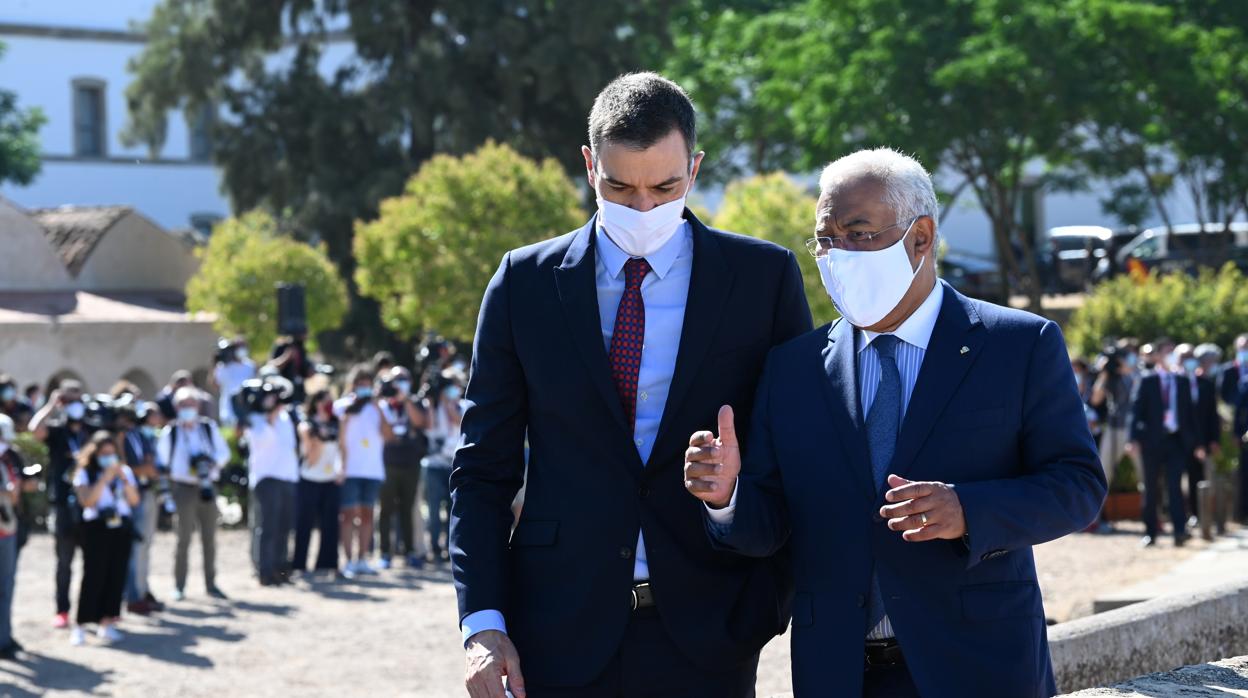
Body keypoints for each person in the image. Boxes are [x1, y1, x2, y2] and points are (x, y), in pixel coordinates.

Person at [683, 148, 1106, 698]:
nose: (838, 254)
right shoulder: (794, 368)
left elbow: (1078, 485)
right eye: (826, 239)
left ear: (921, 237)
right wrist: (727, 496)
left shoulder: (1017, 344)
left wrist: (968, 511)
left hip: (978, 666)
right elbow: (772, 523)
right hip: (838, 672)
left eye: (859, 234)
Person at [452, 73, 812, 698]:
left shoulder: (763, 277)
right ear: (589, 165)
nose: (643, 206)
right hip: (555, 631)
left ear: (694, 169)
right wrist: (482, 624)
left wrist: (744, 532)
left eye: (665, 186)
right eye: (619, 187)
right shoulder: (522, 284)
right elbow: (483, 469)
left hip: (712, 629)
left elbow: (796, 456)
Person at [156, 387, 231, 600]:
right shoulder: (171, 432)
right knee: (183, 539)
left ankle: (211, 584)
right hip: (183, 488)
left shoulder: (208, 428)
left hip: (207, 486)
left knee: (210, 538)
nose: (188, 408)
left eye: (191, 404)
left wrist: (210, 463)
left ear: (198, 406)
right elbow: (162, 462)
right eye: (183, 405)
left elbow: (223, 453)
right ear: (176, 407)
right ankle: (179, 585)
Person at [70, 431, 140, 646]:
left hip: (120, 528)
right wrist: (104, 479)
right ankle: (80, 625)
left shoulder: (124, 471)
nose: (109, 457)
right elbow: (87, 501)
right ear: (95, 453)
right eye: (104, 453)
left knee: (116, 575)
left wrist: (124, 480)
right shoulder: (85, 472)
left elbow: (134, 500)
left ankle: (107, 622)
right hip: (96, 529)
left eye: (112, 452)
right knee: (93, 576)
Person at [1128, 339, 1201, 547]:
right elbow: (1137, 411)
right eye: (1166, 352)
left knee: (1175, 486)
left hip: (1175, 441)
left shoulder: (1182, 381)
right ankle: (1150, 532)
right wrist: (1133, 439)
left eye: (1172, 351)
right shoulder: (1147, 380)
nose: (1170, 355)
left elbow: (1190, 414)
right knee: (1151, 488)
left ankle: (1179, 531)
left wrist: (1196, 442)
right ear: (1158, 356)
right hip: (1151, 442)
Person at [29, 380, 89, 628]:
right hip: (63, 503)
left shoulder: (90, 430)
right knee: (64, 562)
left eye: (77, 399)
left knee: (91, 560)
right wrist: (51, 405)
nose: (74, 405)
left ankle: (88, 610)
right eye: (69, 400)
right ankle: (62, 610)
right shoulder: (57, 430)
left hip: (89, 503)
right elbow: (35, 430)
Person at [334, 365, 392, 578]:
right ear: (354, 384)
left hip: (373, 470)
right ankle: (348, 560)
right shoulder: (342, 406)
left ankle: (362, 559)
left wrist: (377, 407)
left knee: (368, 516)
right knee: (348, 515)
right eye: (361, 384)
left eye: (369, 384)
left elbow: (388, 435)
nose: (365, 388)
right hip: (349, 470)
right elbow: (339, 439)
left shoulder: (380, 407)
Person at [245, 381, 300, 586]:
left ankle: (281, 569)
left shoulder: (287, 418)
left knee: (284, 526)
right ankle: (265, 570)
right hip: (266, 478)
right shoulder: (256, 420)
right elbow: (262, 442)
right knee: (268, 526)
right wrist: (271, 414)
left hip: (288, 477)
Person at [378, 366, 428, 569]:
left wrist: (405, 399)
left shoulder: (415, 401)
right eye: (396, 379)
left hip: (411, 462)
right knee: (385, 510)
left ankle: (409, 551)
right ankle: (384, 552)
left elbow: (420, 422)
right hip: (388, 463)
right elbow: (384, 432)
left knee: (407, 509)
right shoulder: (382, 404)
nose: (400, 382)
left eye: (403, 379)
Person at [122, 402, 164, 615]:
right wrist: (143, 470)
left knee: (145, 546)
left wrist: (147, 470)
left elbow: (152, 465)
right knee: (136, 548)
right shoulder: (123, 437)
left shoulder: (141, 435)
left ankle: (142, 590)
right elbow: (132, 468)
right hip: (134, 496)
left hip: (147, 492)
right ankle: (134, 595)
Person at [294, 390, 342, 575]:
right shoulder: (307, 425)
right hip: (309, 478)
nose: (328, 405)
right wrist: (319, 438)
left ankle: (327, 564)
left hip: (330, 479)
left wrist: (340, 470)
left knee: (330, 525)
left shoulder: (336, 423)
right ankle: (299, 564)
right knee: (304, 523)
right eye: (324, 402)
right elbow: (311, 458)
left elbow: (341, 448)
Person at [1089, 348, 1135, 531]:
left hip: (1134, 429)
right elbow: (1096, 399)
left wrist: (1125, 368)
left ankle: (1153, 518)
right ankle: (1093, 519)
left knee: (1147, 474)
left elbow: (1136, 383)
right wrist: (1105, 373)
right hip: (1114, 428)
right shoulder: (1110, 377)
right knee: (1103, 472)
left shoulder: (1135, 372)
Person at [1176, 343, 1221, 522]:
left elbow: (1212, 415)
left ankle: (1197, 515)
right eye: (1183, 357)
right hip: (1175, 441)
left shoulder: (1206, 384)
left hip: (1198, 441)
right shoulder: (1171, 382)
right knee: (1174, 481)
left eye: (1190, 357)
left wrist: (1211, 440)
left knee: (1197, 478)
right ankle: (1178, 516)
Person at [422, 369, 462, 564]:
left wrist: (448, 402)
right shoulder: (432, 405)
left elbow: (457, 420)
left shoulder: (461, 406)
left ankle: (449, 547)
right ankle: (434, 548)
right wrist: (432, 401)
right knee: (433, 509)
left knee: (452, 509)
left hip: (454, 465)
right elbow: (429, 426)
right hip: (433, 464)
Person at [0, 415, 22, 659]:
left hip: (7, 530)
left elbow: (15, 494)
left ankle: (4, 638)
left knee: (6, 587)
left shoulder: (7, 461)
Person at [1220, 334, 1248, 522]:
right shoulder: (1229, 371)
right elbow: (1228, 401)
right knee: (1241, 473)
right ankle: (1240, 514)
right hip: (1238, 430)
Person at [213, 336, 257, 427]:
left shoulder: (250, 366)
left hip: (246, 409)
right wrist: (214, 364)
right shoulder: (223, 367)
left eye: (243, 346)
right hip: (228, 410)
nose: (241, 349)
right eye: (238, 347)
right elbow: (216, 385)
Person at [269, 333, 314, 405]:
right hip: (283, 389)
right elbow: (272, 365)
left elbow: (305, 371)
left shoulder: (301, 349)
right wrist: (286, 357)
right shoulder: (282, 346)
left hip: (298, 391)